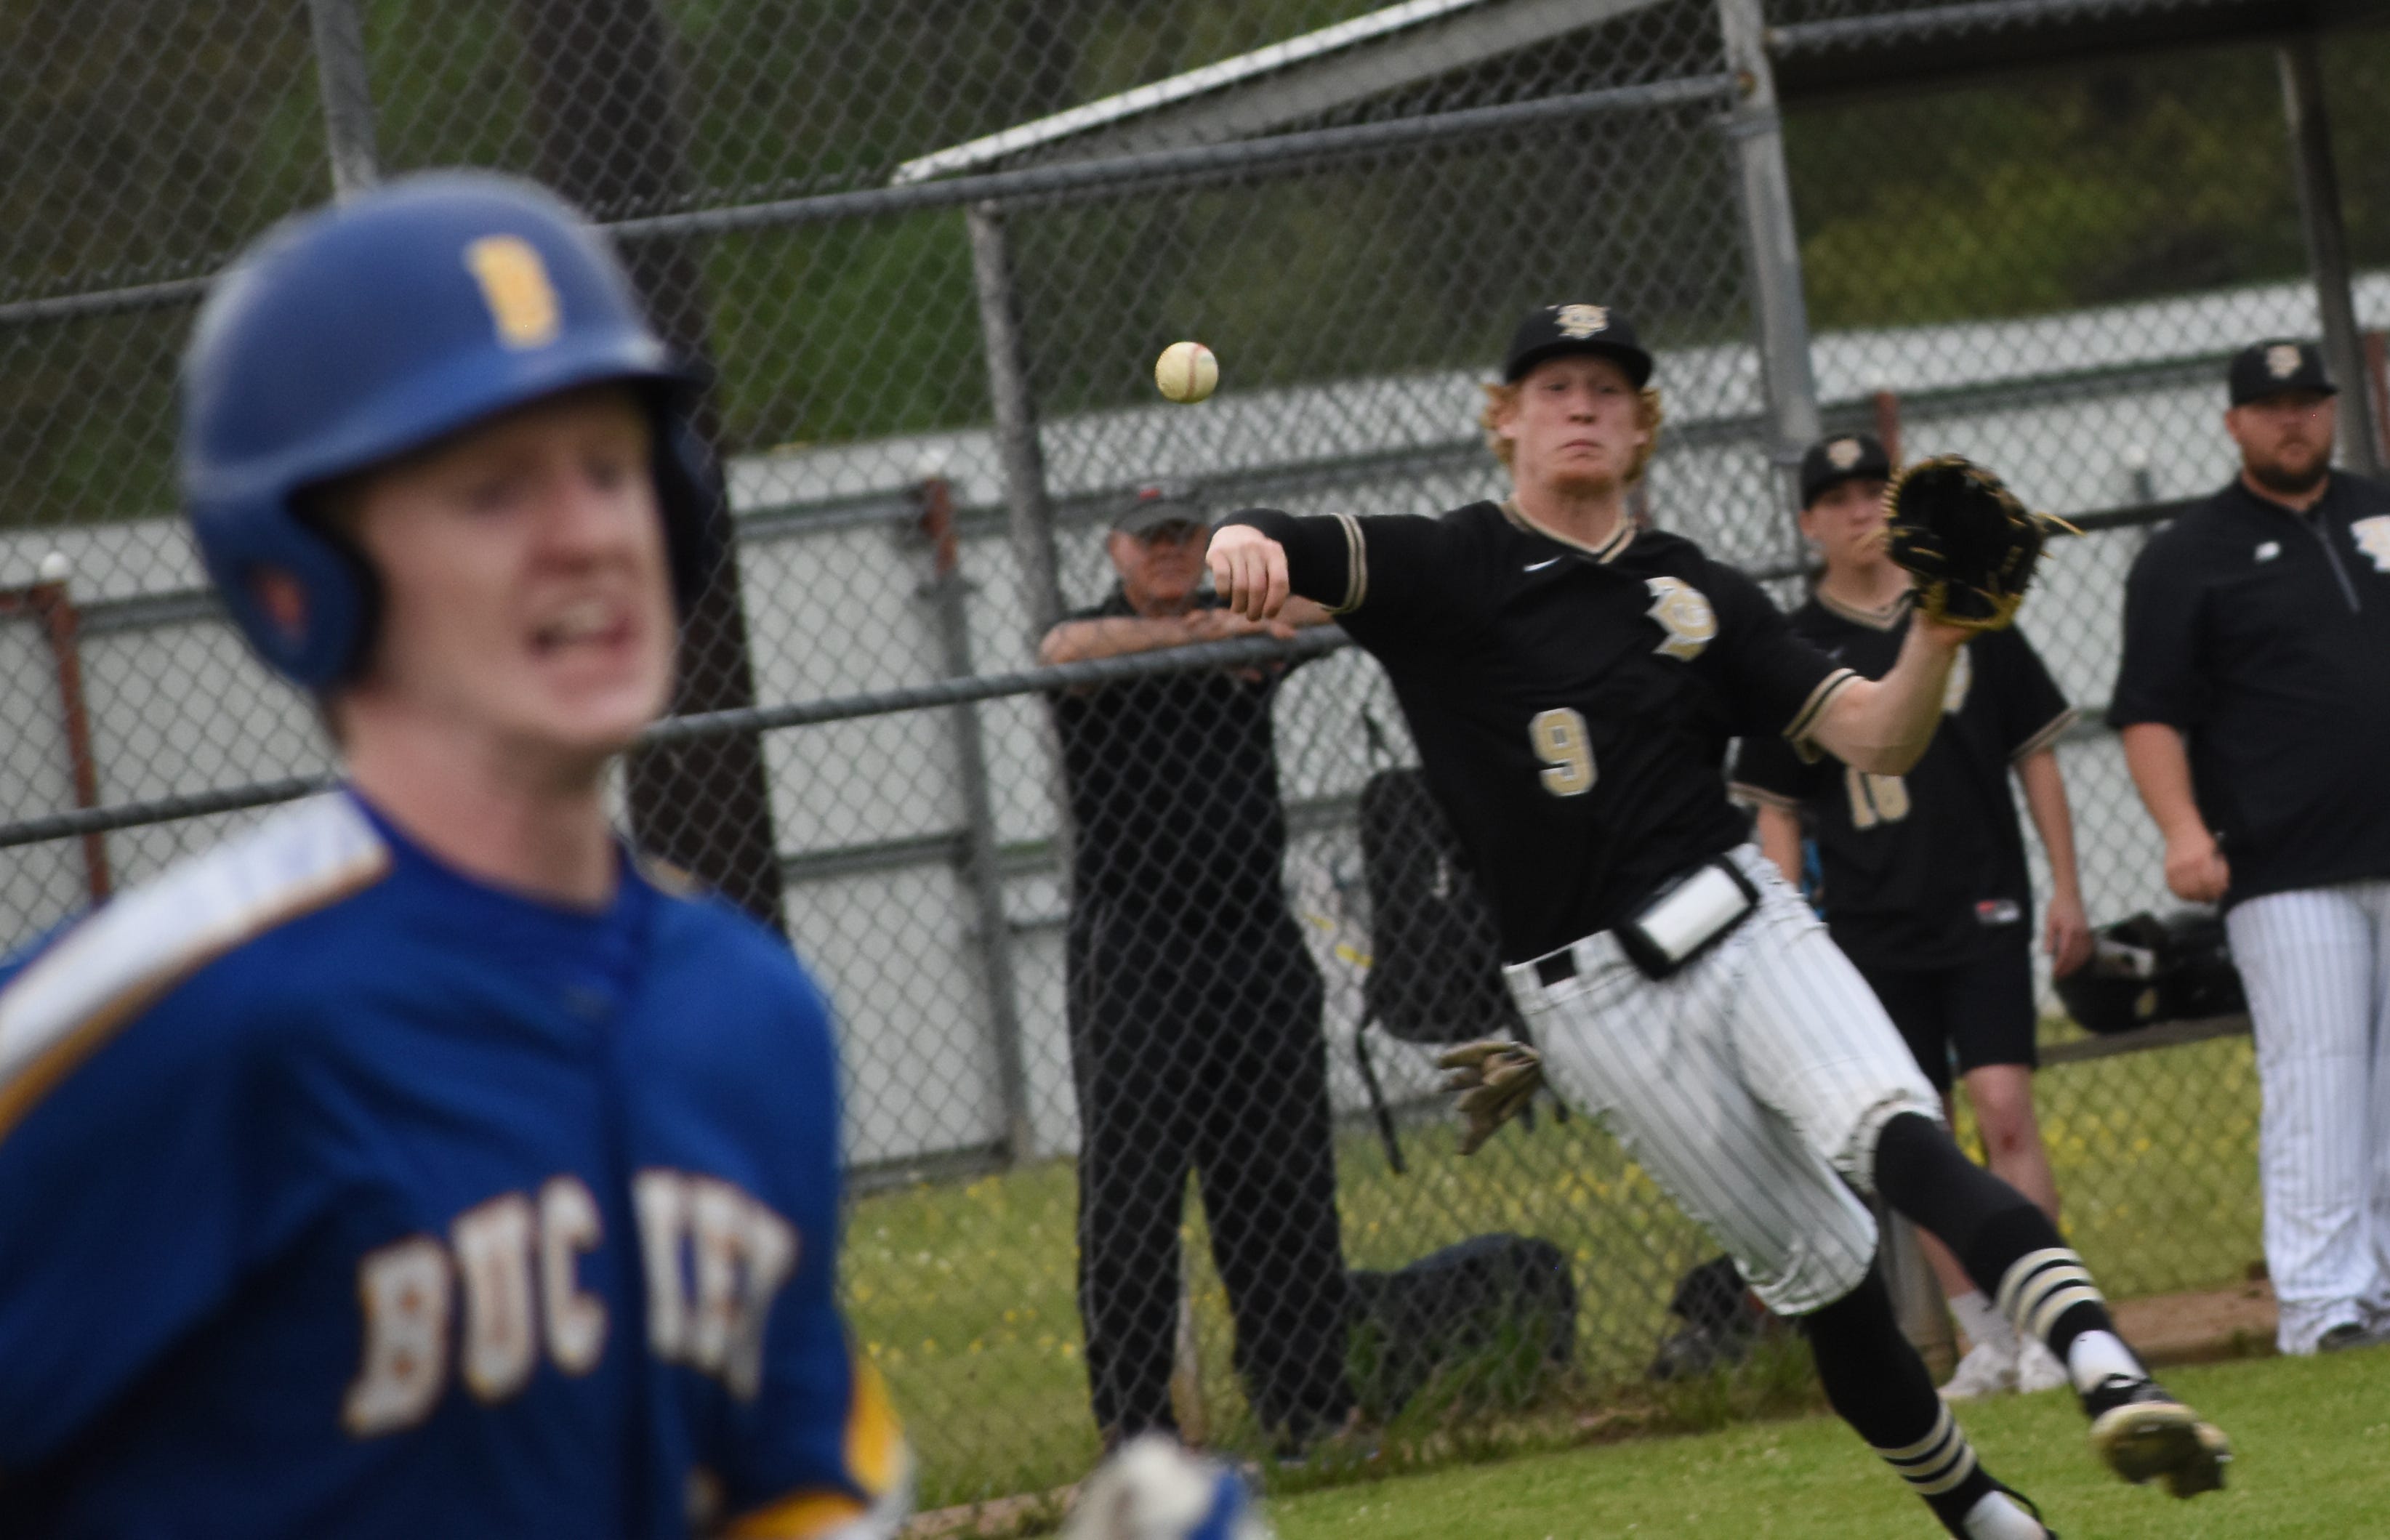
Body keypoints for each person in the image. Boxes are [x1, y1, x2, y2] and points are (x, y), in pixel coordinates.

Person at [1205, 303, 2229, 1538]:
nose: (1582, 403)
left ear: (1642, 426)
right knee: (1828, 1280)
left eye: (1608, 388)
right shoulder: (1449, 564)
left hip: (1747, 924)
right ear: (1507, 419)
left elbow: (1874, 734)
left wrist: (1943, 634)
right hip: (1591, 1002)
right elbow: (1279, 541)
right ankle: (1987, 1518)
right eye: (1554, 385)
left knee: (1896, 1133)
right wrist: (1239, 543)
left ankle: (2111, 1371)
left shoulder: (1697, 586)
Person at [0, 173, 908, 1537]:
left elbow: (786, 1489)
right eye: (492, 491)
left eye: (611, 467)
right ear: (301, 575)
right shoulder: (188, 1019)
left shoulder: (748, 1015)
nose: (589, 533)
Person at [1731, 432, 2093, 1400]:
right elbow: (1778, 806)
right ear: (1808, 522)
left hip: (1980, 902)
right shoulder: (1792, 648)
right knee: (1918, 1131)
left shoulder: (1965, 604)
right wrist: (1784, 931)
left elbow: (2036, 752)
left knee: (2007, 1109)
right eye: (1834, 497)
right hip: (1868, 926)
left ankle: (2053, 1327)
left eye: (1870, 491)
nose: (1856, 511)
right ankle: (1983, 1336)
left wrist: (2067, 884)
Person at [1039, 486, 1358, 1457]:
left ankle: (1308, 1410)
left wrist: (1243, 617)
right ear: (1118, 551)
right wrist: (1194, 640)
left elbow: (1327, 608)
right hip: (1136, 949)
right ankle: (1136, 1431)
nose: (1170, 554)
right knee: (1133, 1198)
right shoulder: (1096, 635)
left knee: (1282, 1183)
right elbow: (1061, 657)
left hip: (1255, 942)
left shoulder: (1238, 622)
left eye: (1186, 537)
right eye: (1153, 541)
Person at [2112, 337, 2390, 1356]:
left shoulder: (2380, 511)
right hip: (2283, 867)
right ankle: (2324, 1306)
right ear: (2233, 423)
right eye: (2269, 405)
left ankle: (2384, 1288)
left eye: (2309, 401)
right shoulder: (2188, 556)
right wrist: (2183, 831)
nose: (2292, 419)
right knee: (2319, 1080)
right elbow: (2147, 713)